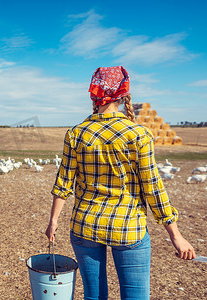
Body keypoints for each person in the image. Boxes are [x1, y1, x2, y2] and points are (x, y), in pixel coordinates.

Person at [45, 66, 195, 300]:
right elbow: (152, 187)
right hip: (128, 228)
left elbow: (63, 181)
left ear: (93, 95)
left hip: (85, 224)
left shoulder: (76, 133)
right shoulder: (139, 134)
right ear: (124, 96)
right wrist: (175, 235)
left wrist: (53, 221)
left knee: (94, 297)